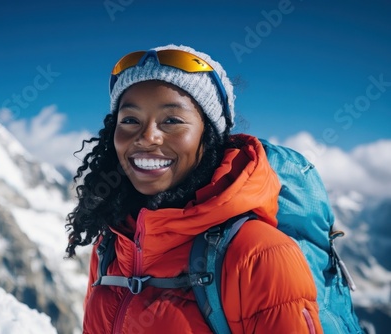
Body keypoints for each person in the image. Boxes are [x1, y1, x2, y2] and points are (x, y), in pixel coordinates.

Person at [65, 44, 322, 333]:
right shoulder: (111, 245)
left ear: (209, 136)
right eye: (130, 120)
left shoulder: (258, 253)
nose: (147, 137)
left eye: (172, 121)